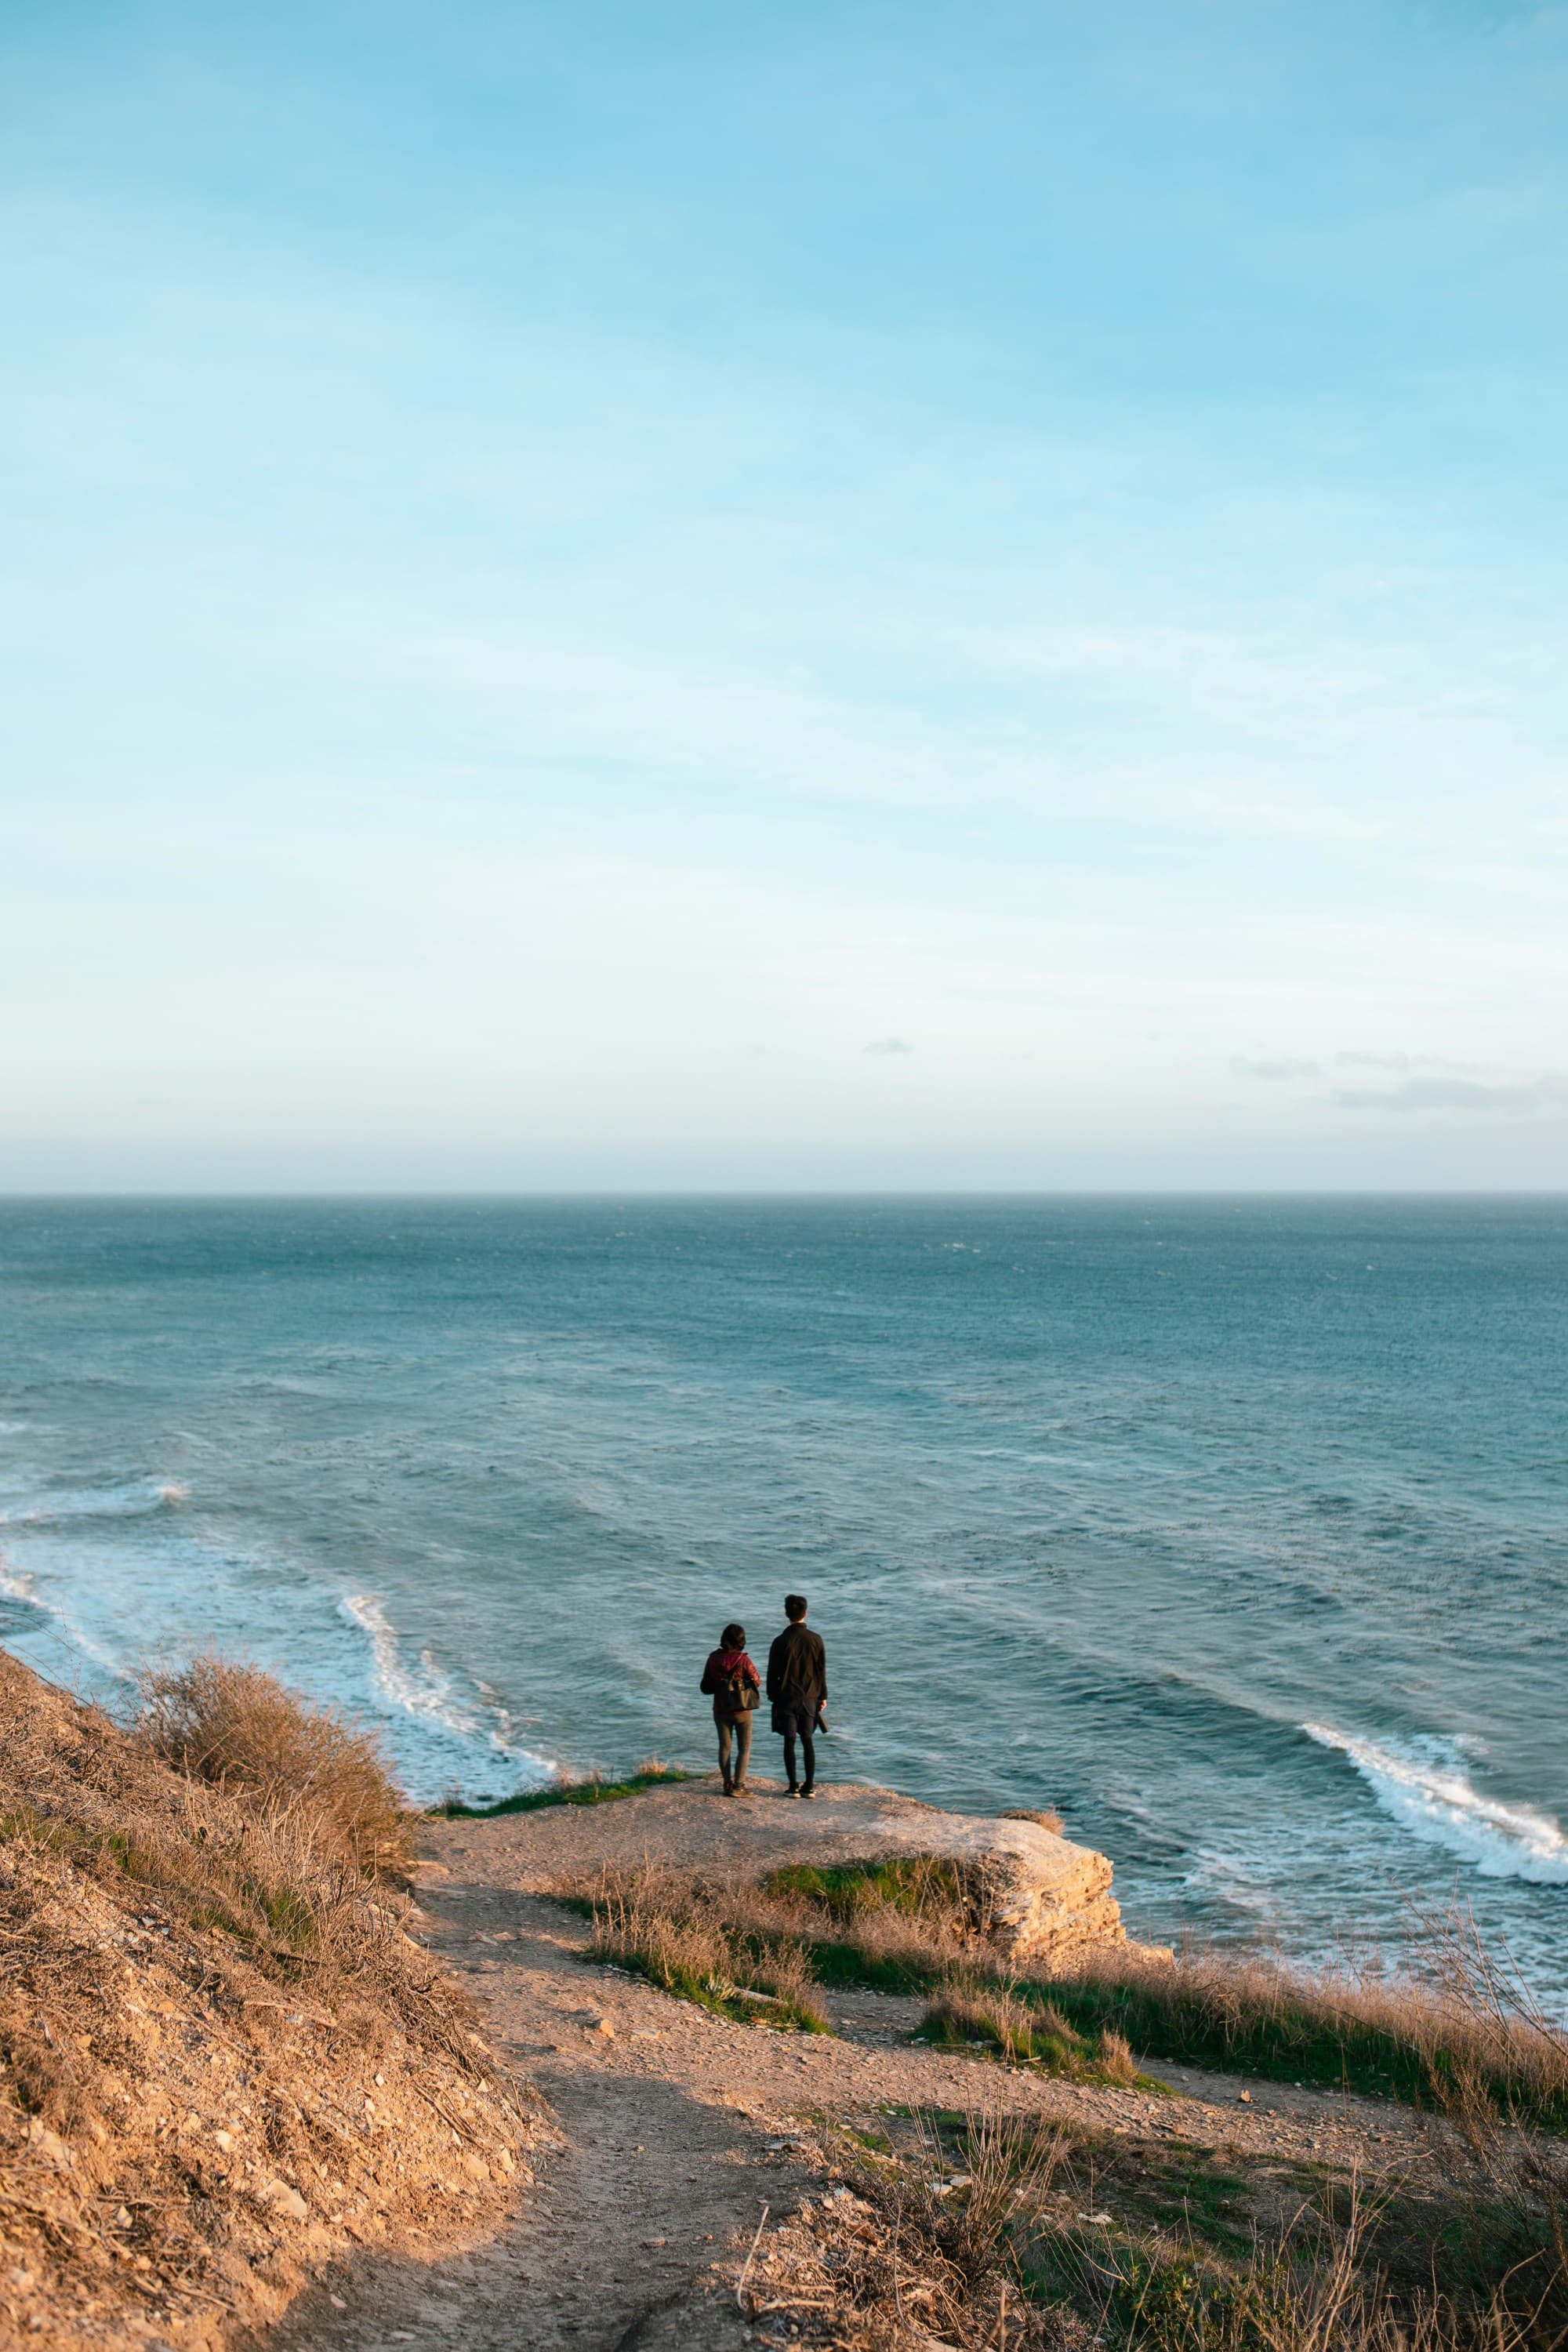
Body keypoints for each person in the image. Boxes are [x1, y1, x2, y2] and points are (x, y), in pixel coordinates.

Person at [767, 1593, 826, 1798]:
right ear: (806, 1613)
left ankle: (793, 1786)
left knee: (789, 1741)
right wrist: (822, 1696)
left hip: (786, 1697)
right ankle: (809, 1786)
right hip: (810, 1697)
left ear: (786, 1614)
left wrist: (773, 1696)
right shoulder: (816, 1640)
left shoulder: (780, 1641)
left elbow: (772, 1673)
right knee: (807, 1740)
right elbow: (821, 1671)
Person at [699, 1621, 760, 1797]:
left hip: (720, 1708)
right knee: (744, 1748)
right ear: (741, 1640)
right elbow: (756, 1681)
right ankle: (739, 1786)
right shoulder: (743, 1660)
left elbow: (706, 1682)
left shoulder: (713, 1658)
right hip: (742, 1710)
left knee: (724, 1747)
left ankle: (727, 1784)